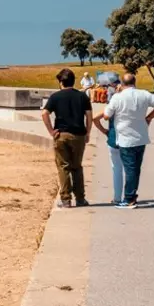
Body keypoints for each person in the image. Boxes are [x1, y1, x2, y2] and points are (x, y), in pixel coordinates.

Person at [93, 70, 154, 206]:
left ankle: (129, 199)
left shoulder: (117, 97)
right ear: (134, 83)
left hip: (125, 138)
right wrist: (149, 117)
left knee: (129, 169)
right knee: (135, 169)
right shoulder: (144, 94)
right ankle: (131, 195)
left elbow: (106, 116)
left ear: (122, 83)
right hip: (141, 137)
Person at [40, 69, 92, 207]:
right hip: (78, 135)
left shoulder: (55, 97)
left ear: (60, 82)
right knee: (77, 167)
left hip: (61, 135)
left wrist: (51, 131)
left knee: (63, 166)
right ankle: (80, 198)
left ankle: (66, 199)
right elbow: (88, 115)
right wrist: (88, 132)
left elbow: (44, 113)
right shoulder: (82, 96)